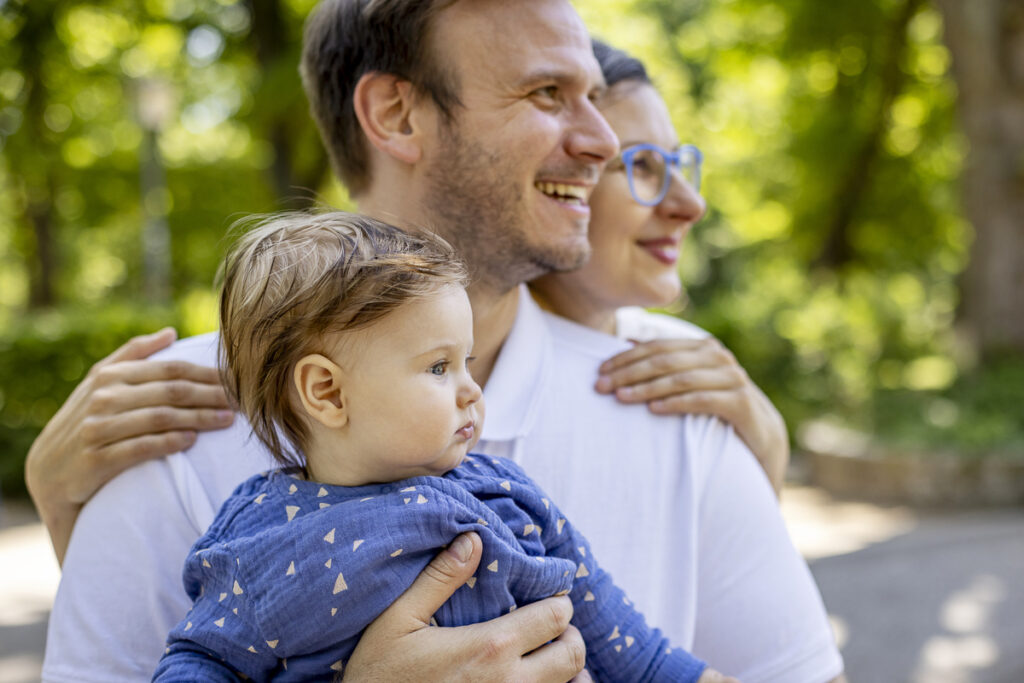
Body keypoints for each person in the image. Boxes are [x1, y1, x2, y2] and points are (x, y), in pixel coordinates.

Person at [38, 1, 845, 681]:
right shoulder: (165, 426)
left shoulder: (680, 403)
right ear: (395, 114)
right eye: (547, 92)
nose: (601, 143)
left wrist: (762, 447)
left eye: (594, 95)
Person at [153, 210, 733, 682]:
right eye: (438, 366)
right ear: (327, 392)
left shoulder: (504, 493)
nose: (471, 391)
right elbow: (201, 661)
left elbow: (621, 636)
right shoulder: (259, 539)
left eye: (466, 363)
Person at [532, 40, 790, 494]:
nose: (691, 206)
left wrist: (766, 435)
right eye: (641, 165)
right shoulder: (460, 373)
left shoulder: (692, 364)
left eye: (677, 162)